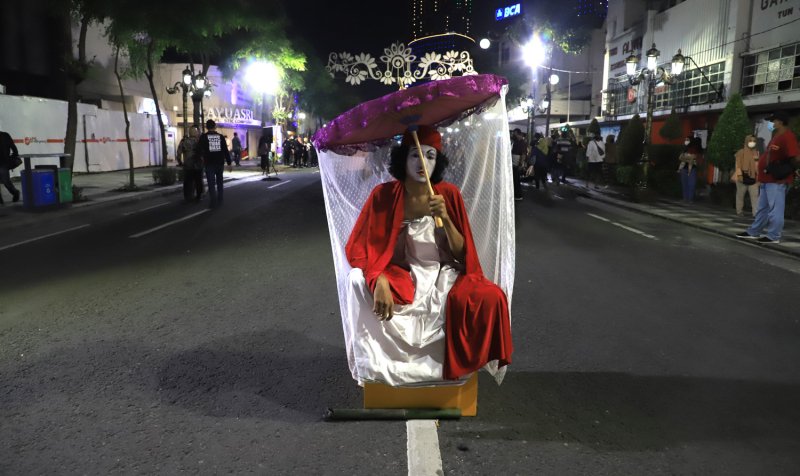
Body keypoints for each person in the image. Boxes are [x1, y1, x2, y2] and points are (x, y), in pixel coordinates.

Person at [344, 125, 513, 385]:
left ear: (438, 162)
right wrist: (378, 278)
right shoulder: (384, 195)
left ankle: (449, 370)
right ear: (404, 159)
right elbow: (360, 248)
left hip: (440, 273)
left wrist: (445, 218)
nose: (423, 162)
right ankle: (376, 366)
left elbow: (461, 252)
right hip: (398, 274)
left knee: (490, 297)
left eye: (430, 156)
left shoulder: (448, 194)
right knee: (355, 279)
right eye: (415, 155)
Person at [737, 112, 799, 244]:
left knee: (775, 209)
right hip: (767, 179)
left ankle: (773, 236)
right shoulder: (777, 136)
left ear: (780, 122)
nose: (771, 123)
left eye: (773, 121)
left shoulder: (788, 137)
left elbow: (795, 157)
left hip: (777, 180)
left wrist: (789, 170)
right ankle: (754, 231)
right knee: (762, 208)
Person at [198, 119, 230, 208]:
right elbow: (225, 150)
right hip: (219, 163)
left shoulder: (203, 137)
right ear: (215, 126)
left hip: (209, 163)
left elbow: (199, 150)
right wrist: (229, 162)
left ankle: (213, 201)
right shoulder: (220, 137)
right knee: (220, 181)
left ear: (207, 127)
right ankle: (220, 199)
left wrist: (201, 158)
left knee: (211, 183)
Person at [732, 134, 760, 217]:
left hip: (753, 178)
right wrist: (740, 175)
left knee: (755, 196)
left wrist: (759, 177)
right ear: (746, 141)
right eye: (750, 141)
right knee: (740, 195)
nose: (752, 143)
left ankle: (755, 213)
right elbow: (738, 164)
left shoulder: (756, 153)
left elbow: (758, 166)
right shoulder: (741, 152)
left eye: (754, 141)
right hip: (742, 177)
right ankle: (739, 211)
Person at [179, 126, 203, 202]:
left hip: (188, 165)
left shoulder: (184, 141)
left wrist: (180, 162)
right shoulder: (199, 141)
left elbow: (178, 153)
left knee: (187, 182)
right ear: (196, 133)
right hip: (198, 165)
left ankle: (187, 197)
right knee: (198, 181)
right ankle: (198, 196)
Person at [677, 136, 702, 202]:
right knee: (685, 184)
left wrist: (688, 157)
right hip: (685, 168)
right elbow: (681, 157)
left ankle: (689, 198)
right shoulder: (685, 148)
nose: (686, 141)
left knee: (691, 184)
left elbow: (695, 158)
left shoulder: (695, 148)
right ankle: (686, 198)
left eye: (687, 140)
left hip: (691, 168)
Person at [0, 127, 21, 204]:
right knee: (6, 181)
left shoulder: (5, 135)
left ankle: (15, 192)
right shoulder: (5, 135)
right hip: (4, 163)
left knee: (6, 182)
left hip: (3, 163)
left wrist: (15, 155)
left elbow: (13, 146)